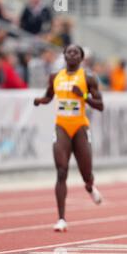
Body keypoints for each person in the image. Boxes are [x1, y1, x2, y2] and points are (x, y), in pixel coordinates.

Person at [33, 44, 104, 232]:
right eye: (69, 52)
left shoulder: (88, 78)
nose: (72, 54)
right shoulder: (55, 76)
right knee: (61, 171)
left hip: (80, 126)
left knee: (86, 172)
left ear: (81, 58)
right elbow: (49, 95)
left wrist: (85, 95)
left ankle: (89, 186)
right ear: (64, 55)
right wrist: (41, 101)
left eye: (76, 52)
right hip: (62, 126)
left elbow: (100, 105)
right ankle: (61, 218)